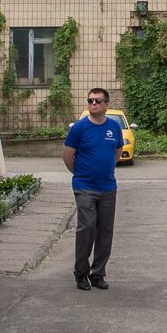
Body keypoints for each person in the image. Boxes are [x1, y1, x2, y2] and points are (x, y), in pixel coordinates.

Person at [64, 87, 124, 290]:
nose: (93, 104)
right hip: (84, 187)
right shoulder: (79, 128)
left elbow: (117, 151)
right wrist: (81, 174)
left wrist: (106, 168)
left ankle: (98, 273)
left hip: (107, 187)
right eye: (90, 101)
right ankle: (81, 272)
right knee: (87, 228)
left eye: (98, 101)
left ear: (106, 105)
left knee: (105, 232)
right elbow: (68, 156)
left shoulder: (114, 127)